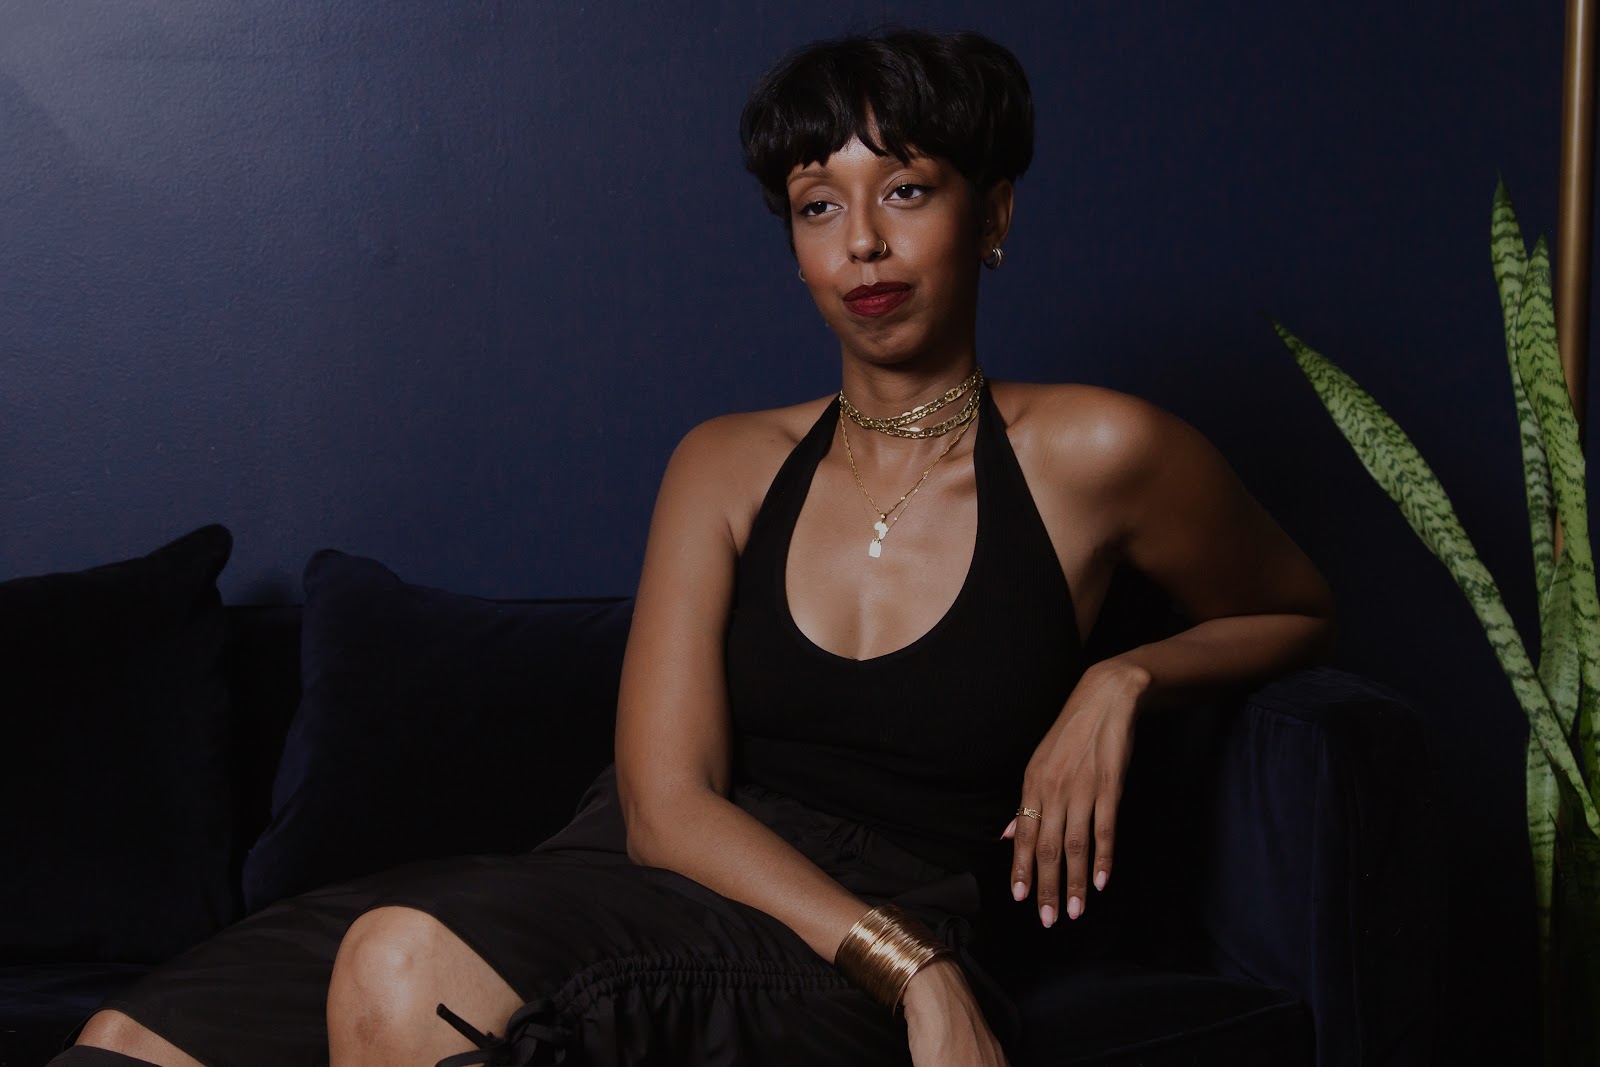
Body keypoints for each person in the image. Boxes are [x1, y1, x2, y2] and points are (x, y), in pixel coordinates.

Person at [54, 27, 1335, 1067]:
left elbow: (1295, 606)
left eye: (905, 190)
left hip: (857, 925)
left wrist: (1125, 677)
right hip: (638, 873)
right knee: (123, 1040)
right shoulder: (724, 461)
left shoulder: (1102, 451)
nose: (863, 244)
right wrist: (918, 973)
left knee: (402, 964)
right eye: (816, 203)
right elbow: (665, 807)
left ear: (990, 214)